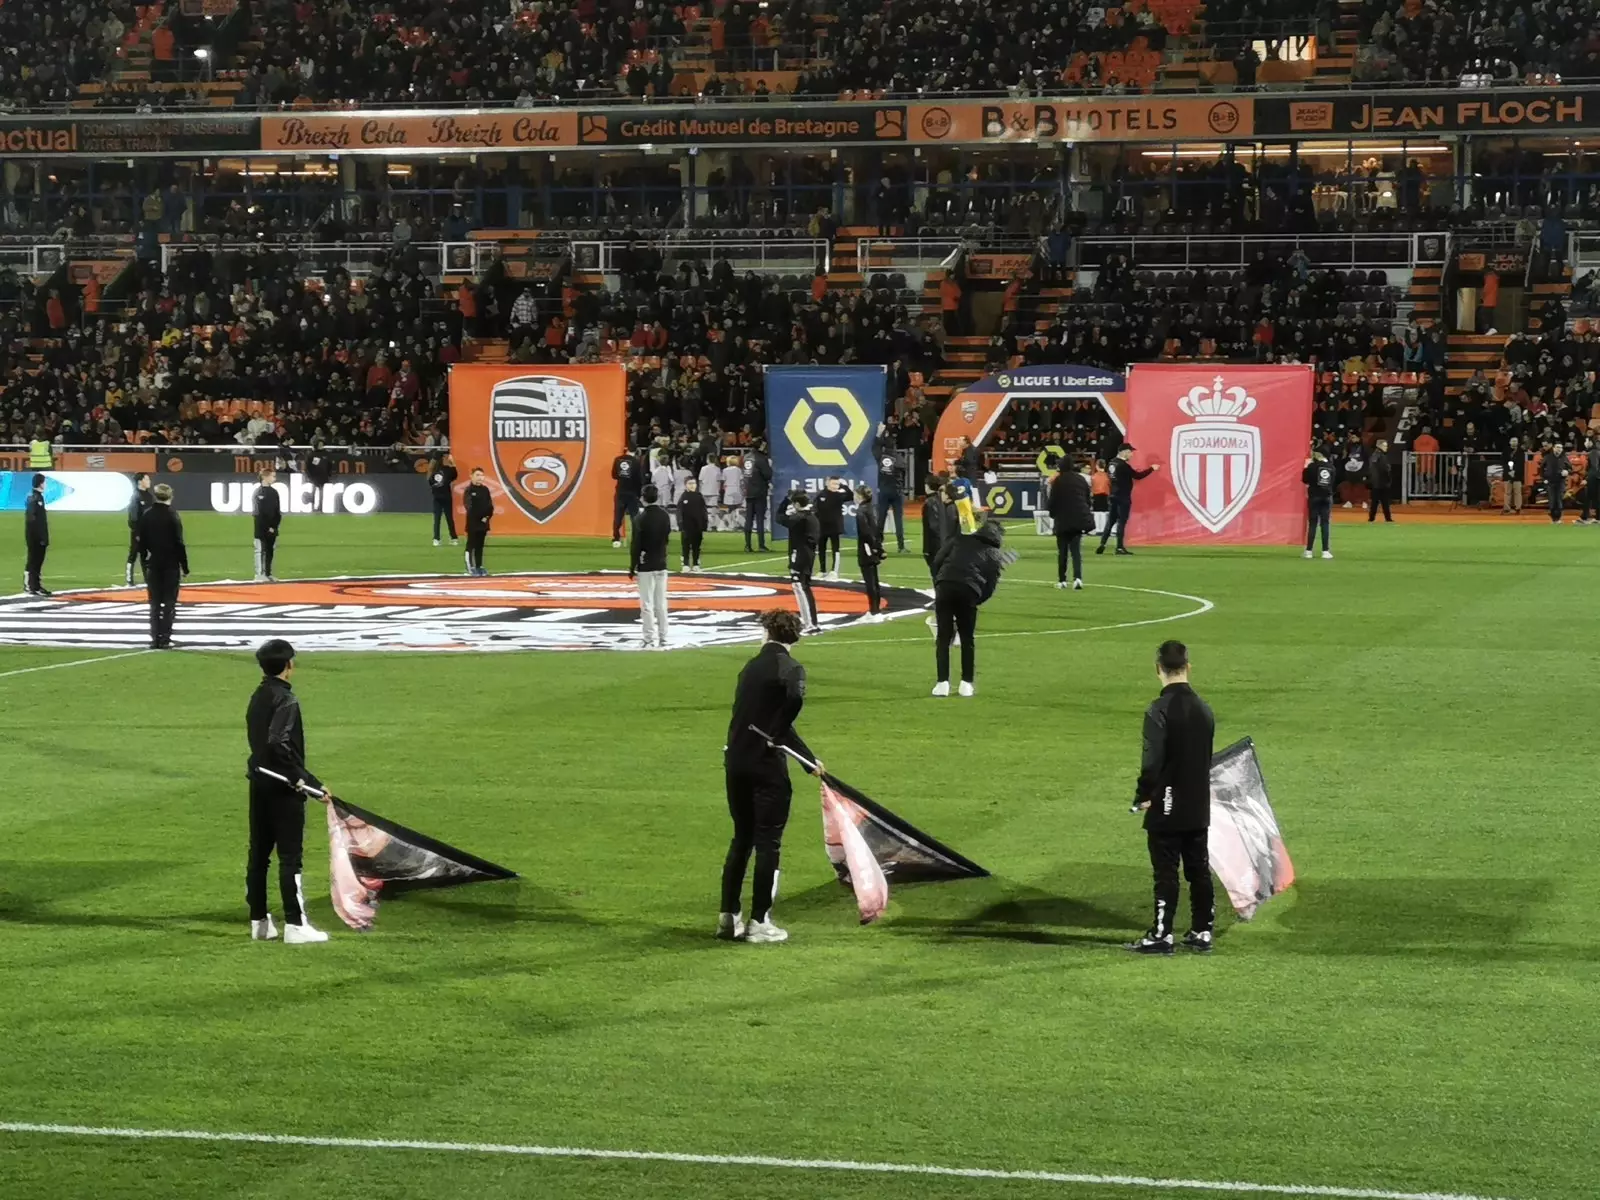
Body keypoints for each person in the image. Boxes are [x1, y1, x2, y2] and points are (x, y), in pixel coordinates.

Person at [720, 609, 823, 944]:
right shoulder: (790, 668)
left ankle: (728, 916)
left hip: (736, 760)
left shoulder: (749, 668)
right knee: (768, 843)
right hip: (766, 767)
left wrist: (807, 759)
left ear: (767, 632)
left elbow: (763, 720)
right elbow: (791, 704)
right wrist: (780, 737)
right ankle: (760, 922)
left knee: (741, 838)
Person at [1126, 640, 1216, 956]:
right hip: (1198, 803)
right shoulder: (1205, 709)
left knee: (1166, 871)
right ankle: (1203, 930)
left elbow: (1152, 760)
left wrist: (1143, 795)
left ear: (1158, 669)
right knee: (1198, 868)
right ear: (1188, 667)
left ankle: (1162, 935)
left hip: (1167, 803)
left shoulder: (1159, 710)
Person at [245, 638, 331, 945]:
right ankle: (295, 924)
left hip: (259, 782)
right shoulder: (286, 700)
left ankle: (259, 922)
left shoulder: (257, 696)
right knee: (290, 858)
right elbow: (278, 742)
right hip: (284, 788)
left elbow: (261, 744)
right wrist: (309, 782)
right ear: (288, 665)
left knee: (259, 855)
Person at [930, 509, 1011, 697]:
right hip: (969, 592)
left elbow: (937, 561)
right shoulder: (994, 554)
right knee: (967, 639)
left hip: (945, 586)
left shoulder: (959, 539)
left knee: (943, 638)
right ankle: (966, 683)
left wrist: (940, 583)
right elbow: (990, 587)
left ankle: (942, 683)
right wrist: (977, 599)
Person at [135, 482, 189, 649]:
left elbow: (141, 542)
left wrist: (145, 561)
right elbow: (179, 543)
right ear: (170, 496)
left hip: (154, 563)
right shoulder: (173, 516)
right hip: (170, 564)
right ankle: (165, 638)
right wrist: (185, 566)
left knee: (155, 603)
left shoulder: (147, 515)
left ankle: (154, 638)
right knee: (169, 603)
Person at [630, 483, 671, 649]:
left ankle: (648, 638)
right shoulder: (665, 515)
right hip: (661, 562)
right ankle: (663, 636)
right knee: (661, 603)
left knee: (647, 604)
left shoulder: (640, 518)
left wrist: (632, 566)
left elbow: (636, 545)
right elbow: (666, 537)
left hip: (646, 564)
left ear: (643, 498)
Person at [1097, 444, 1158, 555]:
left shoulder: (1112, 463)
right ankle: (1119, 547)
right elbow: (1138, 476)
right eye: (1130, 452)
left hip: (1113, 495)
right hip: (1123, 496)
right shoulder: (1123, 465)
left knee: (1110, 521)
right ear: (1124, 452)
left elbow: (1117, 476)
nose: (1131, 454)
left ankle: (1103, 544)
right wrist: (1152, 469)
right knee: (1121, 522)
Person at [776, 489, 821, 634]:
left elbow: (779, 518)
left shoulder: (799, 518)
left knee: (800, 586)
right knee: (805, 586)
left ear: (796, 504)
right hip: (808, 554)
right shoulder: (812, 516)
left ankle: (810, 624)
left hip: (800, 555)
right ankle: (812, 621)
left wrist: (785, 501)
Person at [1047, 457, 1093, 589]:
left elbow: (1053, 501)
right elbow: (1087, 499)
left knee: (1062, 552)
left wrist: (1052, 514)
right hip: (1078, 520)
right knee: (1076, 551)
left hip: (1062, 520)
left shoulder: (1058, 481)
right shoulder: (1081, 479)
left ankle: (1062, 580)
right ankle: (1078, 578)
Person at [854, 483, 886, 620]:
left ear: (860, 496)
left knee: (870, 581)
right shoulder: (872, 508)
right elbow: (878, 529)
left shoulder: (861, 512)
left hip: (866, 548)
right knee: (874, 580)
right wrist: (879, 547)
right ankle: (876, 609)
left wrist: (872, 547)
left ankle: (874, 611)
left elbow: (865, 532)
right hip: (873, 546)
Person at [921, 473, 953, 584]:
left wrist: (928, 549)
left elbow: (933, 526)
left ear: (927, 486)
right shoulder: (942, 499)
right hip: (946, 542)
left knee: (937, 575)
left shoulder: (930, 502)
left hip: (935, 546)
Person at [1303, 450, 1335, 559]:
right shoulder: (1331, 467)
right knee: (1325, 524)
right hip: (1327, 497)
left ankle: (1309, 551)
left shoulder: (1311, 467)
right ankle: (1325, 551)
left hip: (1314, 496)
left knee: (1313, 524)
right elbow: (1332, 481)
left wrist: (1306, 468)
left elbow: (1305, 480)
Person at [814, 476, 848, 580]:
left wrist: (844, 487)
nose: (835, 486)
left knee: (835, 548)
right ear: (827, 483)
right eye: (833, 483)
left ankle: (834, 570)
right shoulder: (821, 495)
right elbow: (815, 509)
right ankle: (822, 570)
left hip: (835, 526)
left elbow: (850, 496)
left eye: (837, 484)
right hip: (822, 526)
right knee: (821, 548)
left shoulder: (840, 495)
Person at [875, 438, 906, 552]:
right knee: (898, 519)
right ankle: (901, 546)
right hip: (896, 491)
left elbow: (874, 447)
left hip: (883, 491)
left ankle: (878, 544)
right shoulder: (899, 458)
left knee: (881, 519)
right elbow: (904, 473)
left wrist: (879, 436)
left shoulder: (880, 457)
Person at [743, 442, 773, 552]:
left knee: (749, 519)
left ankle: (747, 545)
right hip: (759, 491)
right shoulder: (761, 458)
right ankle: (761, 545)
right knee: (760, 519)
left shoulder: (746, 457)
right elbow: (768, 474)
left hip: (748, 490)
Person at [124, 472, 153, 586]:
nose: (149, 481)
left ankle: (148, 579)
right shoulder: (136, 497)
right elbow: (133, 517)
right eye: (147, 479)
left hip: (148, 532)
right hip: (139, 532)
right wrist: (137, 532)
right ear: (140, 481)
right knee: (133, 554)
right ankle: (129, 580)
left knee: (145, 556)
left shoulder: (149, 496)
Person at [463, 467, 493, 576]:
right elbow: (469, 507)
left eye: (481, 475)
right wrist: (479, 516)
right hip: (473, 522)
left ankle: (479, 566)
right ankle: (470, 567)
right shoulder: (469, 490)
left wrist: (486, 517)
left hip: (483, 523)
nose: (480, 477)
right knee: (471, 545)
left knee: (480, 545)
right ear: (471, 476)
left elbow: (490, 506)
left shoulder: (485, 490)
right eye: (477, 475)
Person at [253, 468, 282, 582]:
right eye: (272, 476)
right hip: (261, 528)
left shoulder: (274, 492)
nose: (274, 478)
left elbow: (277, 511)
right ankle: (259, 574)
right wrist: (267, 527)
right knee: (260, 550)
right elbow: (259, 513)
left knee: (270, 551)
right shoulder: (259, 493)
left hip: (272, 528)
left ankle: (268, 573)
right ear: (265, 477)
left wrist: (274, 526)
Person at [23, 472, 49, 596]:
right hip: (35, 536)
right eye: (44, 482)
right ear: (40, 483)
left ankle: (35, 585)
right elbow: (32, 519)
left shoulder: (37, 497)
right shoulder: (34, 498)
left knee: (37, 561)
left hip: (38, 535)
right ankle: (31, 585)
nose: (45, 484)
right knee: (34, 560)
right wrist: (39, 536)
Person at [611, 448, 643, 547]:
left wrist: (622, 477)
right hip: (632, 493)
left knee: (618, 517)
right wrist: (639, 494)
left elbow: (614, 475)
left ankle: (616, 538)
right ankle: (636, 539)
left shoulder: (617, 459)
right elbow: (639, 479)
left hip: (620, 492)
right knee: (634, 517)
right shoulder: (636, 462)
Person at [678, 476, 708, 573]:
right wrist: (680, 523)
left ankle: (696, 564)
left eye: (694, 483)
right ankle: (685, 564)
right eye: (690, 483)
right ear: (685, 485)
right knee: (686, 546)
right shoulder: (683, 497)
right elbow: (679, 511)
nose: (692, 485)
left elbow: (704, 511)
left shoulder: (699, 496)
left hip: (698, 525)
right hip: (687, 526)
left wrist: (705, 523)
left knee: (696, 546)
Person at [428, 453, 459, 546]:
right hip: (446, 497)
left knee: (437, 519)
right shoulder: (448, 470)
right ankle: (454, 538)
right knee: (449, 518)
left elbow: (430, 483)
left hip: (437, 498)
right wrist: (453, 463)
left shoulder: (433, 472)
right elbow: (455, 475)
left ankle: (436, 539)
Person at [1542, 442, 1571, 524]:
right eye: (1558, 447)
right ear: (1554, 448)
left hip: (1560, 482)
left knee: (1559, 500)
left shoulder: (1564, 458)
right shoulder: (1547, 457)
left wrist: (1567, 471)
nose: (1559, 449)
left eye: (1561, 447)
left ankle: (1558, 518)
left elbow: (1570, 468)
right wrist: (1544, 478)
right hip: (1550, 482)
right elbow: (1541, 468)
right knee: (1552, 500)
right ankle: (1553, 518)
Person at [1367, 439, 1394, 523]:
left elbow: (1371, 469)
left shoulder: (1373, 455)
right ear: (1380, 446)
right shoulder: (1381, 456)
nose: (1386, 447)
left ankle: (1371, 518)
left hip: (1375, 482)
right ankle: (1388, 518)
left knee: (1375, 502)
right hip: (1382, 482)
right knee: (1385, 502)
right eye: (1385, 446)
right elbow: (1385, 469)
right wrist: (1388, 479)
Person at [720, 455, 745, 535]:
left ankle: (731, 524)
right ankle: (736, 523)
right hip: (737, 489)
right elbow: (741, 480)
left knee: (730, 508)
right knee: (737, 507)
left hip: (729, 490)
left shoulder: (725, 470)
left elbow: (723, 480)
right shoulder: (739, 470)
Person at [304, 441, 333, 512]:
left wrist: (329, 474)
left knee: (322, 492)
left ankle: (321, 507)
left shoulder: (326, 454)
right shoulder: (312, 454)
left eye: (322, 444)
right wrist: (309, 476)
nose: (321, 446)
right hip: (314, 477)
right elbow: (308, 466)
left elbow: (329, 465)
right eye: (320, 444)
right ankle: (313, 506)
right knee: (314, 492)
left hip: (324, 477)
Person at [1501, 437, 1527, 515]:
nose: (1514, 442)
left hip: (1517, 475)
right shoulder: (1505, 451)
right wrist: (1509, 471)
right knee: (1507, 492)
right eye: (1512, 441)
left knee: (1517, 492)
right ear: (1510, 442)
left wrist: (1514, 471)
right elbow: (1503, 462)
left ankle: (1518, 508)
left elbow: (1521, 464)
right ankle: (1507, 508)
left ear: (1518, 443)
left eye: (1515, 441)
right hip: (1507, 475)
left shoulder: (1521, 452)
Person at [1581, 435, 1600, 525]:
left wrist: (1587, 479)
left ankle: (1585, 517)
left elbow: (1594, 467)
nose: (1585, 443)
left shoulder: (1593, 452)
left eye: (1587, 441)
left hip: (1594, 478)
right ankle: (1596, 518)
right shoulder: (1596, 451)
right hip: (1597, 477)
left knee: (1588, 497)